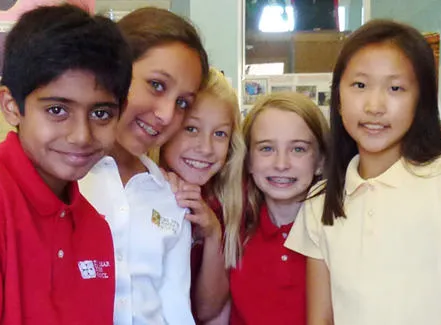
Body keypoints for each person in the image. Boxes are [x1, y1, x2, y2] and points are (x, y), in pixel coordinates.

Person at [0, 4, 133, 324]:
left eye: (101, 113)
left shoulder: (94, 227)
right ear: (11, 106)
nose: (81, 136)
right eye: (58, 110)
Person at [285, 19, 441, 325]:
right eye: (360, 85)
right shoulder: (321, 201)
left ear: (420, 102)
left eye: (395, 88)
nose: (374, 106)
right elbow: (320, 319)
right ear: (337, 99)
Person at [76, 7, 209, 325]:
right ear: (113, 72)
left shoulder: (170, 195)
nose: (166, 114)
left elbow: (176, 307)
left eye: (182, 103)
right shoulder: (66, 180)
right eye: (157, 85)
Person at [226, 92, 330, 325]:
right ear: (249, 160)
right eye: (266, 149)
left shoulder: (337, 236)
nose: (281, 164)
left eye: (298, 149)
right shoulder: (234, 231)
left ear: (321, 160)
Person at [157, 67, 245, 322]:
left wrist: (213, 232)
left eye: (219, 134)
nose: (206, 148)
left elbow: (207, 310)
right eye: (192, 129)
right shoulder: (141, 187)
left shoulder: (225, 202)